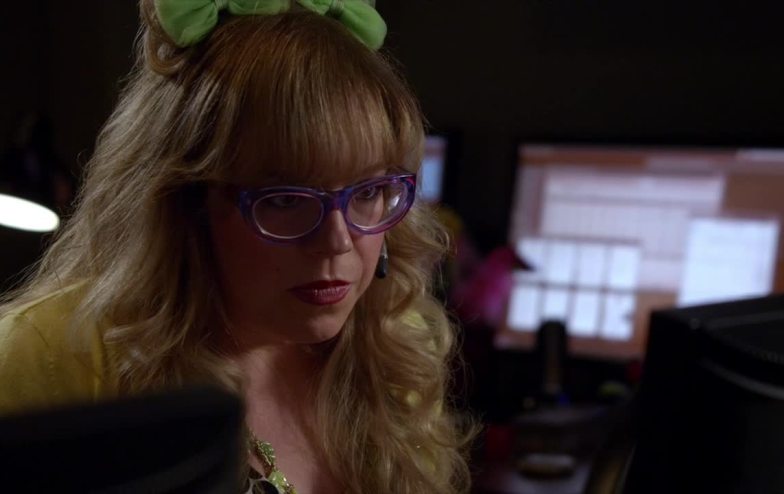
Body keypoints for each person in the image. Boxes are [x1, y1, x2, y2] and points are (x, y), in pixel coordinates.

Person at [0, 1, 474, 492]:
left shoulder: (394, 344)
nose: (336, 242)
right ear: (183, 206)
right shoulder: (53, 355)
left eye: (369, 193)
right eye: (285, 200)